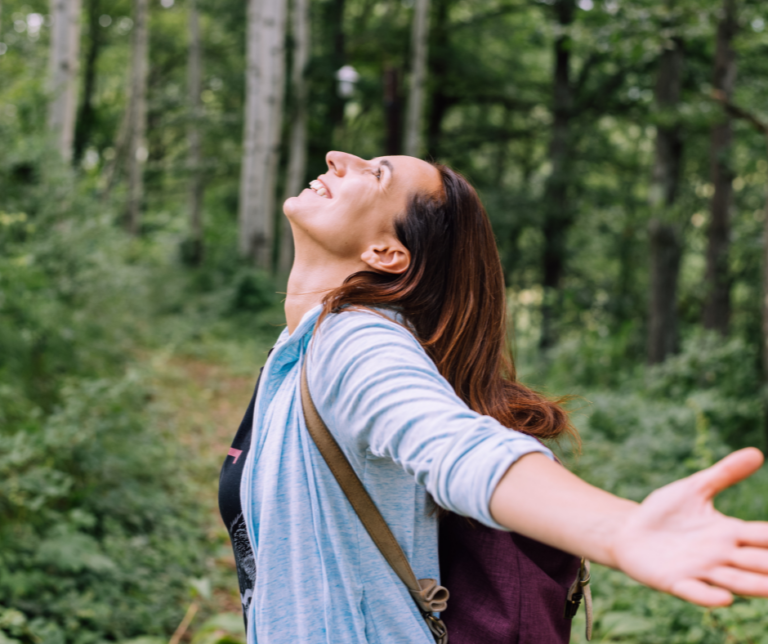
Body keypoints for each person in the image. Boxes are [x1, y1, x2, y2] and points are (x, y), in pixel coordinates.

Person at [219, 151, 768, 644]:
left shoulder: (355, 341)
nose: (339, 157)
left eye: (376, 173)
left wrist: (620, 529)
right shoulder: (299, 347)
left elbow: (456, 445)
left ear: (386, 252)